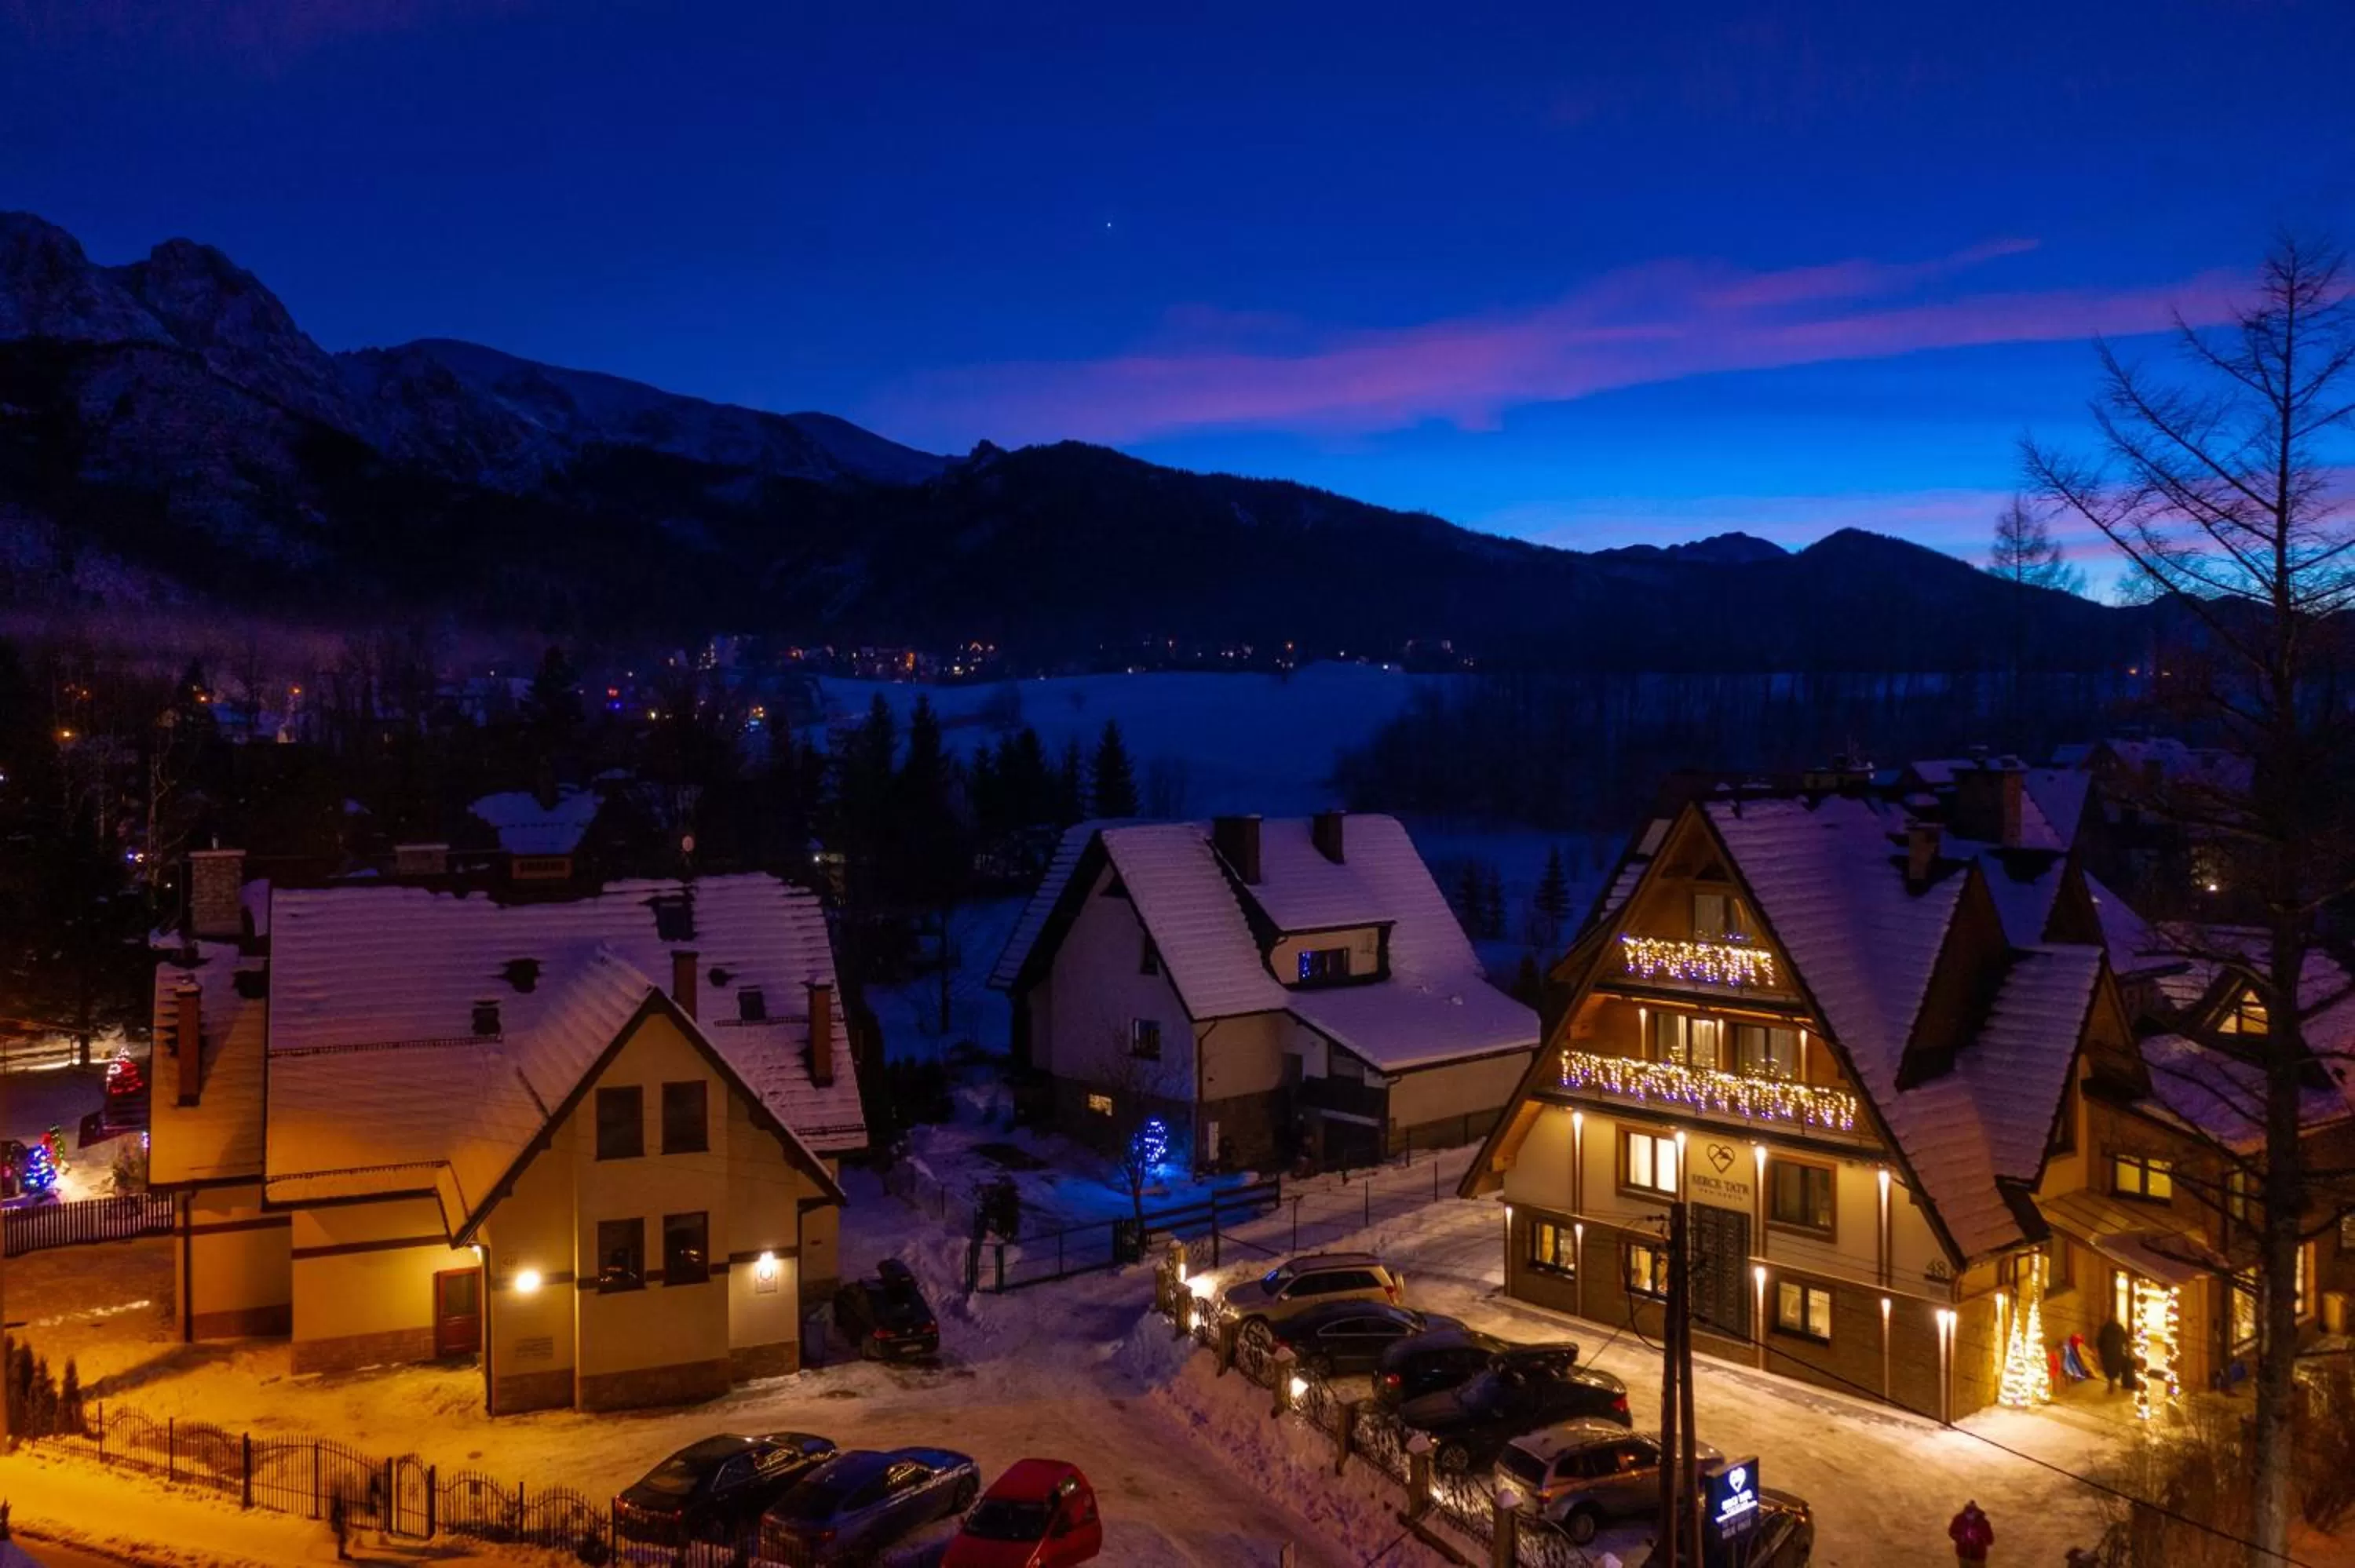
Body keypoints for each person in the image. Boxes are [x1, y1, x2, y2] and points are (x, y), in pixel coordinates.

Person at [1949, 1500, 1994, 1564]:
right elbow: (1952, 1532)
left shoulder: (1983, 1523)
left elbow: (1990, 1540)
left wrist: (1979, 1538)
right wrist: (1961, 1538)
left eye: (1972, 1513)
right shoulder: (1959, 1520)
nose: (1970, 1516)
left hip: (1978, 1558)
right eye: (1969, 1513)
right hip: (1964, 1555)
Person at [2096, 1316, 2130, 1394]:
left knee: (2109, 1370)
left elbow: (2099, 1341)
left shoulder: (2105, 1328)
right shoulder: (2119, 1328)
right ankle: (2112, 1383)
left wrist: (2100, 1351)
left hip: (2107, 1353)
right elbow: (2125, 1340)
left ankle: (2111, 1383)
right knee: (2114, 1369)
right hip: (2116, 1353)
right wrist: (2127, 1348)